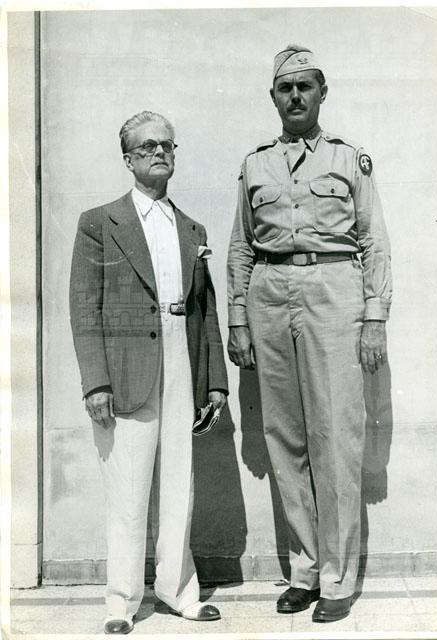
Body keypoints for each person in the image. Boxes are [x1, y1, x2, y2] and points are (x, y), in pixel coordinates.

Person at [227, 45, 392, 623]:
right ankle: (305, 569)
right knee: (285, 435)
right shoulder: (255, 165)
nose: (295, 96)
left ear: (323, 93)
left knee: (335, 437)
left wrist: (374, 316)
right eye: (285, 88)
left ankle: (338, 578)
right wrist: (238, 317)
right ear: (273, 97)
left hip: (333, 291)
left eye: (305, 86)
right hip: (269, 294)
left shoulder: (349, 159)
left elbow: (373, 241)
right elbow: (241, 246)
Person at [70, 111, 228, 634]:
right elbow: (84, 308)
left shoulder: (191, 228)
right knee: (128, 488)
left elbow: (205, 310)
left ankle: (179, 591)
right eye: (147, 146)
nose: (160, 153)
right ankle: (121, 601)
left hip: (181, 356)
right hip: (125, 369)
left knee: (180, 482)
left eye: (167, 145)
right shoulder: (99, 223)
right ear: (128, 159)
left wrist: (215, 381)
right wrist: (96, 382)